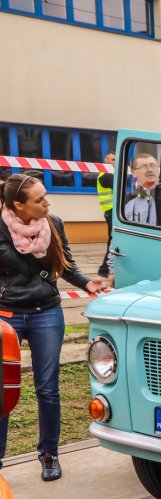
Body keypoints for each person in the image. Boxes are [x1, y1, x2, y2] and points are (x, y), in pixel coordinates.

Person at [0, 174, 106, 480]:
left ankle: (49, 454)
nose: (47, 203)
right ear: (18, 205)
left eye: (46, 196)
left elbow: (67, 265)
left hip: (46, 313)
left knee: (48, 388)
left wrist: (87, 281)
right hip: (7, 316)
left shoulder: (53, 223)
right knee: (2, 390)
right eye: (39, 200)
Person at [122, 153, 160, 225]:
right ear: (133, 172)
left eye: (152, 165)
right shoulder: (127, 200)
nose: (149, 169)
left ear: (158, 169)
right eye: (144, 167)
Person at [96, 150, 115, 281]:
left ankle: (104, 268)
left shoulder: (109, 174)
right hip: (112, 211)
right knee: (113, 240)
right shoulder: (107, 175)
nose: (115, 162)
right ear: (105, 160)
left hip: (112, 211)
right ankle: (105, 269)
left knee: (112, 239)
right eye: (113, 160)